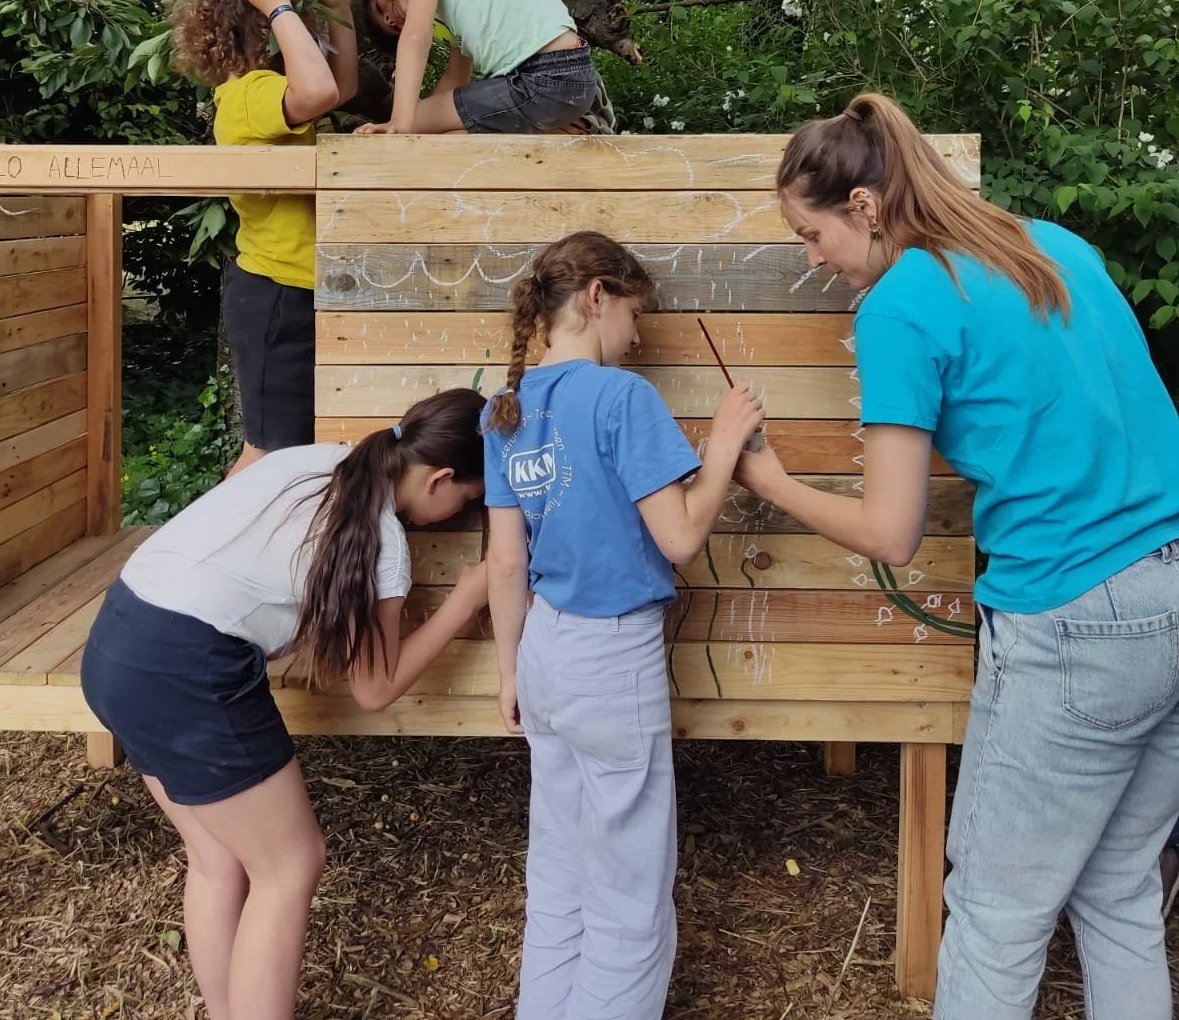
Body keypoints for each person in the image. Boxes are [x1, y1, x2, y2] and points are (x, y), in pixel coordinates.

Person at [731, 91, 1179, 1020]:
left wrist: (770, 481)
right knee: (1121, 889)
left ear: (864, 206)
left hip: (1077, 613)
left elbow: (890, 532)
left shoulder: (901, 304)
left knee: (994, 911)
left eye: (811, 235)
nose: (813, 261)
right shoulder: (1051, 245)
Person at [81, 389, 490, 1020]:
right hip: (186, 669)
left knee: (219, 860)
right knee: (291, 866)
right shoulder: (382, 540)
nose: (461, 512)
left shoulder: (316, 460)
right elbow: (375, 688)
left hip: (116, 643)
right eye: (466, 499)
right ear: (439, 478)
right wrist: (467, 599)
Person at [482, 231, 764, 1020]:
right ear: (597, 296)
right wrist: (724, 447)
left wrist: (508, 671)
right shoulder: (623, 398)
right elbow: (680, 538)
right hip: (611, 657)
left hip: (542, 652)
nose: (637, 337)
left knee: (560, 869)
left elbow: (504, 562)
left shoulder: (503, 409)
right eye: (636, 314)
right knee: (629, 890)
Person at [172, 0, 358, 474]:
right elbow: (320, 90)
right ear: (261, 31)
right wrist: (277, 3)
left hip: (289, 290)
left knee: (286, 449)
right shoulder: (250, 94)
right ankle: (214, 531)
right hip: (277, 295)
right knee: (267, 454)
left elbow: (339, 90)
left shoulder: (257, 97)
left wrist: (342, 11)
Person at [354, 0, 604, 135]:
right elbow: (455, 79)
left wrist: (399, 122)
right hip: (568, 77)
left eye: (379, 7)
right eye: (392, 28)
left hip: (543, 76)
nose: (389, 19)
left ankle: (566, 127)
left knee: (413, 125)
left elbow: (416, 37)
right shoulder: (459, 12)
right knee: (446, 136)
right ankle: (562, 129)